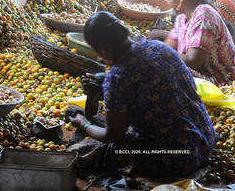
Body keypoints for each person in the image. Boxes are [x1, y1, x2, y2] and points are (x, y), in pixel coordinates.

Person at [67, 11, 217, 178]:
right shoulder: (159, 47)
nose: (98, 57)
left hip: (179, 156)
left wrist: (84, 124)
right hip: (206, 138)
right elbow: (149, 85)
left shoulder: (118, 76)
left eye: (98, 51)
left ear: (104, 48)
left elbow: (112, 136)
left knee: (89, 153)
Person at [162, 0, 235, 85]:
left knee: (168, 70)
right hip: (203, 76)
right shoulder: (182, 17)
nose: (168, 2)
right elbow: (168, 46)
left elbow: (193, 61)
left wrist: (161, 53)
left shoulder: (204, 15)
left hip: (222, 81)